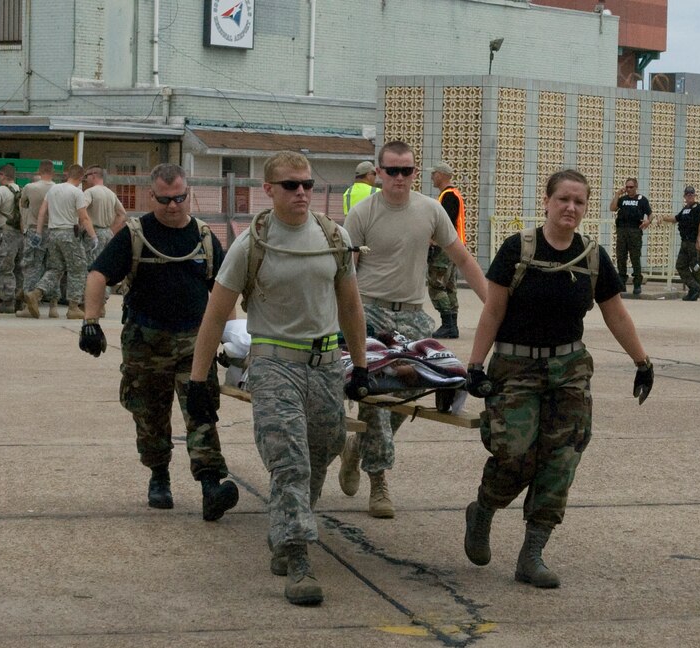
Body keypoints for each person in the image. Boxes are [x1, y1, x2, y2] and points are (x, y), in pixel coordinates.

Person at [187, 151, 368, 606]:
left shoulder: (334, 236)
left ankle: (286, 524)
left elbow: (350, 305)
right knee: (289, 460)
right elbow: (213, 317)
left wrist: (361, 366)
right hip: (273, 365)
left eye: (307, 183)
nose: (302, 192)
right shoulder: (253, 244)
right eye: (291, 185)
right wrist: (198, 380)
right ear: (268, 190)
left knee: (324, 447)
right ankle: (298, 554)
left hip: (325, 365)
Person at [463, 169, 654, 589]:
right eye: (563, 199)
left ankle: (532, 554)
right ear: (546, 202)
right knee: (514, 452)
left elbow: (615, 312)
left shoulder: (592, 256)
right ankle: (483, 510)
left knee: (561, 457)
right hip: (516, 368)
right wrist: (474, 366)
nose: (571, 208)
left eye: (579, 202)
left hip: (568, 370)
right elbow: (492, 310)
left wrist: (642, 361)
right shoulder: (518, 249)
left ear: (586, 208)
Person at [80, 162, 240, 522]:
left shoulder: (202, 236)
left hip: (193, 342)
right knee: (150, 415)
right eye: (165, 199)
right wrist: (90, 322)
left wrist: (231, 338)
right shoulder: (136, 234)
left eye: (180, 198)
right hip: (146, 342)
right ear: (152, 196)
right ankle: (159, 476)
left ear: (188, 194)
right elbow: (98, 274)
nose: (173, 206)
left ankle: (211, 485)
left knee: (200, 410)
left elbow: (223, 289)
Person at [340, 140, 487, 518]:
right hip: (369, 313)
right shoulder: (361, 213)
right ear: (379, 172)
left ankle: (359, 448)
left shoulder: (431, 210)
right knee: (376, 393)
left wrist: (495, 307)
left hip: (413, 316)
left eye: (406, 171)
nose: (399, 178)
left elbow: (463, 259)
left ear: (414, 173)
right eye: (392, 171)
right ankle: (379, 480)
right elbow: (346, 274)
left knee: (424, 380)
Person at [25, 164, 95, 319]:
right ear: (80, 177)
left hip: (52, 233)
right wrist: (93, 236)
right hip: (68, 234)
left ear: (68, 174)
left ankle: (36, 293)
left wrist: (38, 233)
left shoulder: (53, 189)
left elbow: (42, 212)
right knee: (78, 268)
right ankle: (74, 306)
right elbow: (83, 217)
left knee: (55, 269)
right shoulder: (77, 192)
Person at [427, 162, 466, 338]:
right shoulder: (453, 194)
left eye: (434, 173)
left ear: (442, 175)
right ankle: (452, 326)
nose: (432, 177)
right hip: (453, 246)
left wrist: (433, 241)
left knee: (436, 285)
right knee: (450, 286)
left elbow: (445, 224)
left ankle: (447, 324)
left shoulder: (448, 196)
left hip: (444, 247)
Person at [16, 160, 55, 317]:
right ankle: (53, 306)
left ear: (39, 170)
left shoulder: (30, 187)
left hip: (34, 230)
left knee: (31, 267)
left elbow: (23, 204)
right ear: (52, 172)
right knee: (52, 267)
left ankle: (28, 306)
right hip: (52, 230)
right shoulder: (57, 189)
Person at [659, 185, 700, 301]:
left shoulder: (699, 208)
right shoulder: (685, 209)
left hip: (694, 242)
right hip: (685, 242)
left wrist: (699, 238)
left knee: (695, 268)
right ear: (684, 196)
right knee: (680, 265)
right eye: (687, 194)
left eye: (691, 194)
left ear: (695, 195)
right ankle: (695, 287)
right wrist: (663, 218)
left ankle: (694, 291)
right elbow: (676, 219)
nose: (689, 196)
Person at [0, 163, 24, 313]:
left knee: (4, 268)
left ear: (2, 175)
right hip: (20, 234)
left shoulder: (1, 190)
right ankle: (20, 301)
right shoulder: (21, 190)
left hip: (6, 233)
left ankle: (7, 300)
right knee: (19, 269)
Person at [609, 177, 652, 296]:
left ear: (636, 187)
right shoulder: (622, 199)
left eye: (631, 187)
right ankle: (622, 281)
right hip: (622, 231)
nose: (628, 189)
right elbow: (612, 208)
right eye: (627, 187)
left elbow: (650, 214)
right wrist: (617, 194)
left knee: (635, 258)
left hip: (635, 231)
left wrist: (648, 221)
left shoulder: (642, 199)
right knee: (621, 257)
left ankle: (637, 283)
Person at [81, 166, 128, 254]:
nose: (86, 180)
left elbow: (81, 209)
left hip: (93, 233)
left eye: (86, 176)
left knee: (91, 264)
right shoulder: (111, 193)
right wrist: (111, 230)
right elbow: (122, 214)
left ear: (93, 176)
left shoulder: (89, 192)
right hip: (108, 234)